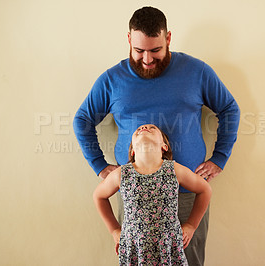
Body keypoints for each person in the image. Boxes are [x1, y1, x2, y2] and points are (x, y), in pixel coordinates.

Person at [74, 6, 240, 265]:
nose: (147, 59)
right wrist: (99, 166)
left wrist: (219, 158)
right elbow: (82, 120)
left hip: (186, 194)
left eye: (155, 50)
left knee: (190, 260)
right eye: (139, 51)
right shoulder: (112, 80)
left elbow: (229, 108)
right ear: (129, 39)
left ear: (168, 39)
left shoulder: (196, 71)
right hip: (134, 197)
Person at [93, 124, 212, 265]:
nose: (144, 127)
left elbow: (205, 190)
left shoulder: (174, 170)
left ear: (164, 146)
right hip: (135, 248)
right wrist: (114, 230)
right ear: (132, 151)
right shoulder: (121, 174)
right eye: (138, 129)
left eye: (152, 128)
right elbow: (99, 196)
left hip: (168, 248)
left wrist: (191, 225)